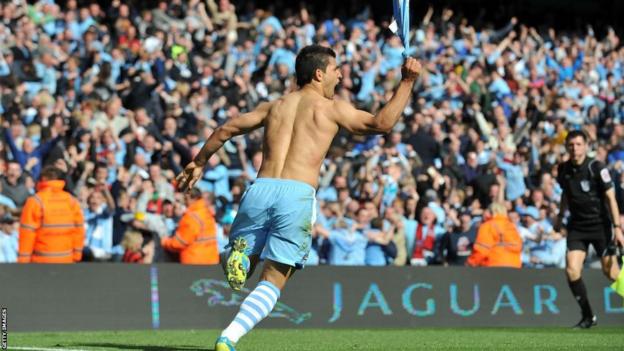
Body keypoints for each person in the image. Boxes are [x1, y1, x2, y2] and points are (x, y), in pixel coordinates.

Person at [176, 45, 421, 350]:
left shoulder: (274, 105)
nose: (341, 74)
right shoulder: (331, 108)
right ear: (319, 74)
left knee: (238, 273)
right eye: (336, 70)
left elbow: (226, 129)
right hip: (297, 195)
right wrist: (407, 81)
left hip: (260, 190)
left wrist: (199, 161)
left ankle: (238, 258)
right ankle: (229, 337)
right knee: (275, 277)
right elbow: (381, 124)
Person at [555, 130, 624, 328]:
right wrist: (560, 217)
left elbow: (611, 198)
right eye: (571, 145)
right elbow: (565, 194)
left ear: (586, 146)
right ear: (566, 146)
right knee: (571, 270)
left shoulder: (596, 167)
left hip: (600, 226)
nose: (574, 148)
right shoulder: (563, 169)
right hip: (577, 226)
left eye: (578, 144)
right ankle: (588, 316)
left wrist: (617, 228)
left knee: (611, 273)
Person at [17, 166, 85, 263]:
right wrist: (77, 256)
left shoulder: (35, 201)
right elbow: (79, 230)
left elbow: (27, 233)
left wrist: (23, 261)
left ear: (43, 179)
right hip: (66, 258)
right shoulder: (71, 201)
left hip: (41, 261)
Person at [161, 188, 218, 264]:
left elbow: (179, 243)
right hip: (211, 260)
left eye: (186, 199)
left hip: (195, 263)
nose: (185, 202)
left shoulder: (191, 217)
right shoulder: (205, 211)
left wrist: (165, 242)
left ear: (192, 198)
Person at [466, 202, 523, 268]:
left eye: (487, 210)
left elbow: (482, 249)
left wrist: (470, 263)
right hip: (514, 267)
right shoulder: (511, 226)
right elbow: (518, 246)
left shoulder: (487, 226)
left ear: (491, 212)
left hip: (494, 267)